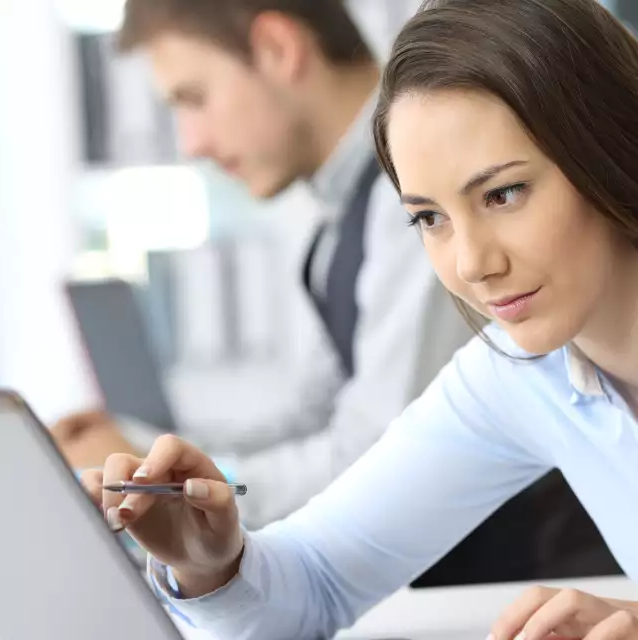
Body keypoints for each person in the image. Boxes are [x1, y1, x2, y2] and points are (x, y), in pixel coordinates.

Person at [79, 0, 638, 637]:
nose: (472, 263)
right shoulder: (521, 376)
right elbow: (315, 581)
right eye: (429, 218)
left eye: (504, 193)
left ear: (610, 145)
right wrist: (210, 562)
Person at [54, 0, 472, 528]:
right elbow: (311, 422)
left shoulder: (413, 196)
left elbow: (377, 458)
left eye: (194, 98)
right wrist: (142, 448)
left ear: (278, 49)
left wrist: (174, 489)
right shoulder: (343, 209)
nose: (192, 143)